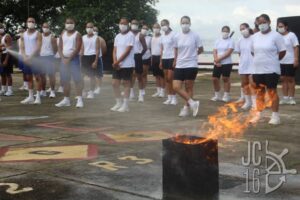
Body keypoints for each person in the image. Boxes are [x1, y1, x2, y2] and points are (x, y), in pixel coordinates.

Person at [250, 14, 286, 125]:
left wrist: (273, 60)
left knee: (272, 92)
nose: (261, 25)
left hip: (271, 70)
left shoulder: (276, 36)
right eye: (259, 23)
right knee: (259, 93)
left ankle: (275, 116)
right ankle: (258, 115)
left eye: (263, 22)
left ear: (269, 22)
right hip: (257, 70)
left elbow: (282, 51)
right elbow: (253, 52)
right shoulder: (254, 37)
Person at [173, 16, 203, 117]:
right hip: (180, 64)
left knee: (188, 87)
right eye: (183, 22)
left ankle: (186, 108)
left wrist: (193, 55)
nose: (184, 24)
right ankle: (193, 103)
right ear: (180, 24)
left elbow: (201, 49)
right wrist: (175, 60)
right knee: (176, 87)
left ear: (190, 23)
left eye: (186, 22)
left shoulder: (195, 35)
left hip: (191, 64)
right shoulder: (177, 36)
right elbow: (176, 49)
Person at [55, 17, 83, 108]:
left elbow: (78, 48)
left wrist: (69, 59)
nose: (69, 24)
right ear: (65, 24)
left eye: (71, 23)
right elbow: (59, 47)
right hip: (64, 60)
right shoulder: (62, 34)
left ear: (74, 24)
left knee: (77, 80)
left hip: (74, 60)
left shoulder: (77, 34)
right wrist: (62, 58)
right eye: (67, 23)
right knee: (65, 80)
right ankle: (66, 100)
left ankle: (79, 99)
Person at [110, 17, 135, 112]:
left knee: (126, 83)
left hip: (127, 64)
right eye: (121, 23)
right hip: (117, 65)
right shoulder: (117, 36)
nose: (122, 25)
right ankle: (118, 102)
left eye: (124, 23)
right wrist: (115, 61)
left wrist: (117, 62)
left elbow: (128, 51)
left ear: (128, 24)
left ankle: (125, 105)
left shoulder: (130, 35)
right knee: (114, 84)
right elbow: (114, 50)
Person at [20, 17, 42, 104]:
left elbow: (38, 47)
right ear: (26, 23)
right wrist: (25, 56)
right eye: (29, 21)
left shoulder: (38, 34)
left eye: (32, 21)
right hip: (26, 58)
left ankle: (38, 97)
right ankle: (30, 96)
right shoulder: (23, 34)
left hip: (35, 58)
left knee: (37, 77)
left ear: (35, 23)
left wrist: (30, 57)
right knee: (28, 77)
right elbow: (22, 46)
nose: (31, 23)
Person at [277, 20, 299, 105]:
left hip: (290, 60)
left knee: (290, 79)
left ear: (286, 27)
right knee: (283, 79)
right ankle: (285, 97)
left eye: (281, 26)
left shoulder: (291, 35)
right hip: (280, 61)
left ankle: (291, 98)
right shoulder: (277, 36)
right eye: (279, 26)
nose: (280, 28)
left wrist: (296, 59)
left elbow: (296, 47)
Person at [211, 25, 235, 102]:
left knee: (225, 78)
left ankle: (226, 95)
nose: (225, 32)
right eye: (224, 31)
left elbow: (228, 53)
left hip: (227, 63)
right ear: (221, 32)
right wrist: (216, 59)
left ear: (228, 32)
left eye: (226, 31)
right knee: (214, 79)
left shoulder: (231, 41)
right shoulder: (218, 40)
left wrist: (218, 59)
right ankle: (217, 95)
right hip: (217, 63)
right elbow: (214, 51)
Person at [235, 23, 255, 110]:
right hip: (243, 65)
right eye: (241, 29)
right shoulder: (239, 40)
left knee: (253, 84)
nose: (243, 31)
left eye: (244, 28)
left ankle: (255, 103)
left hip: (253, 65)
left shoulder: (254, 38)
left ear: (248, 28)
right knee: (244, 84)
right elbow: (239, 53)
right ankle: (248, 102)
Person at [81, 22, 100, 99]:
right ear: (85, 28)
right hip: (84, 57)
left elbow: (97, 50)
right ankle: (83, 91)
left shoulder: (96, 38)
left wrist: (95, 61)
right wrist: (80, 59)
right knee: (81, 75)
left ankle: (91, 92)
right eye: (87, 27)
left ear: (93, 28)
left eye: (90, 27)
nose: (89, 29)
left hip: (92, 57)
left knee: (92, 76)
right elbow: (82, 49)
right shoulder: (83, 37)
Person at [160, 19, 177, 105]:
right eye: (161, 25)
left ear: (168, 24)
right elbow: (162, 49)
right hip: (164, 58)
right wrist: (160, 61)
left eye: (164, 24)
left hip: (172, 58)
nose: (163, 26)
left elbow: (176, 48)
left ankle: (174, 98)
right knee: (166, 79)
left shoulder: (174, 35)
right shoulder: (162, 36)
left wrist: (175, 60)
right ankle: (169, 97)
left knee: (171, 78)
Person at [40, 22, 57, 98]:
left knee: (51, 75)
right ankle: (43, 91)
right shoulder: (40, 36)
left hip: (50, 57)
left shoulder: (52, 37)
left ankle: (52, 91)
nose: (45, 28)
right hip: (41, 57)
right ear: (42, 27)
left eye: (47, 27)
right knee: (42, 75)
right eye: (44, 27)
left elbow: (55, 49)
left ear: (49, 28)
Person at [131, 19, 147, 102]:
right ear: (130, 24)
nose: (134, 25)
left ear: (138, 25)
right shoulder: (128, 35)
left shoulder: (140, 35)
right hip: (129, 57)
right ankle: (131, 92)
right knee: (130, 75)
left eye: (136, 24)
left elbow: (145, 47)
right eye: (133, 23)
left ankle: (141, 94)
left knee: (139, 76)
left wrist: (140, 55)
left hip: (137, 56)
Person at [151, 23, 165, 98]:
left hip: (160, 57)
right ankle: (158, 91)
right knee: (156, 75)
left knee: (161, 76)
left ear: (159, 28)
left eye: (157, 27)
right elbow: (152, 49)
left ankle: (162, 91)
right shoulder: (152, 37)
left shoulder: (162, 37)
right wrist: (151, 58)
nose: (155, 29)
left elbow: (163, 49)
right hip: (154, 57)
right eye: (154, 27)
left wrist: (161, 60)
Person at [0, 23, 13, 96]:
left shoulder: (7, 36)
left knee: (8, 74)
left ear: (3, 28)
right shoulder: (0, 36)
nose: (0, 28)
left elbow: (9, 49)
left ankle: (10, 90)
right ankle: (3, 89)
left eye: (1, 27)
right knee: (2, 74)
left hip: (7, 56)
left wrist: (6, 60)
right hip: (2, 56)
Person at [93, 26, 107, 95]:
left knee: (99, 74)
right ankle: (92, 88)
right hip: (89, 58)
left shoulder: (101, 39)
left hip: (98, 57)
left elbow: (104, 49)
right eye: (93, 30)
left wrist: (99, 55)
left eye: (96, 30)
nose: (94, 31)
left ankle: (98, 88)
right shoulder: (86, 38)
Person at [141, 24, 152, 99]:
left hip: (147, 57)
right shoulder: (138, 36)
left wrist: (151, 57)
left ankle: (143, 89)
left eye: (146, 29)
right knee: (135, 74)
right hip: (138, 57)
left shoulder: (150, 38)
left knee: (144, 74)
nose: (144, 30)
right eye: (143, 28)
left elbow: (151, 48)